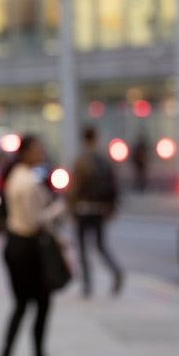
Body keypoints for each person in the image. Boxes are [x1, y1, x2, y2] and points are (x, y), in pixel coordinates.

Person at [0, 134, 67, 356]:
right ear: (25, 152)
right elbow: (35, 220)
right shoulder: (26, 181)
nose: (42, 153)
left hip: (17, 246)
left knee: (26, 305)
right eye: (37, 149)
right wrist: (60, 208)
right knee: (33, 304)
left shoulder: (18, 176)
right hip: (27, 248)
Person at [66, 126, 124, 298]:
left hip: (83, 209)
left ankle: (87, 285)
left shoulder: (81, 160)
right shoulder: (103, 159)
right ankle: (116, 272)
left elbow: (74, 188)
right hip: (99, 209)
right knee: (100, 246)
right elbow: (113, 185)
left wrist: (70, 209)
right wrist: (112, 207)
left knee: (83, 249)